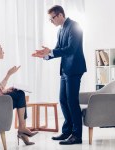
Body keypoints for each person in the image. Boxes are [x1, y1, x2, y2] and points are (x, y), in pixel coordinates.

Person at [32, 5, 87, 145]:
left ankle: (77, 135)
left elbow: (71, 49)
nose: (51, 21)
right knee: (63, 100)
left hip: (74, 69)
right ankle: (67, 131)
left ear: (60, 15)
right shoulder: (61, 30)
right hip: (65, 70)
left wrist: (51, 51)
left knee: (72, 101)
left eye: (52, 18)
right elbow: (57, 50)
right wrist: (45, 55)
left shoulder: (74, 26)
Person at [0, 40, 38, 145]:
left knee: (18, 93)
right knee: (20, 94)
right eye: (1, 49)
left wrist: (5, 90)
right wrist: (8, 74)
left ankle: (22, 130)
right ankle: (22, 130)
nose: (3, 52)